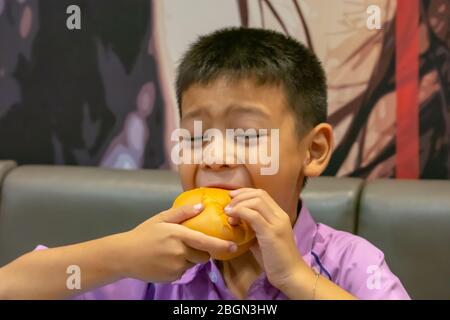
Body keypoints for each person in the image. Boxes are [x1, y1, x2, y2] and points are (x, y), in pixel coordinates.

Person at [0, 27, 410, 300]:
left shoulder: (348, 262)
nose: (214, 156)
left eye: (247, 136)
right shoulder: (155, 265)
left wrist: (299, 280)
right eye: (195, 137)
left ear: (314, 150)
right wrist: (121, 255)